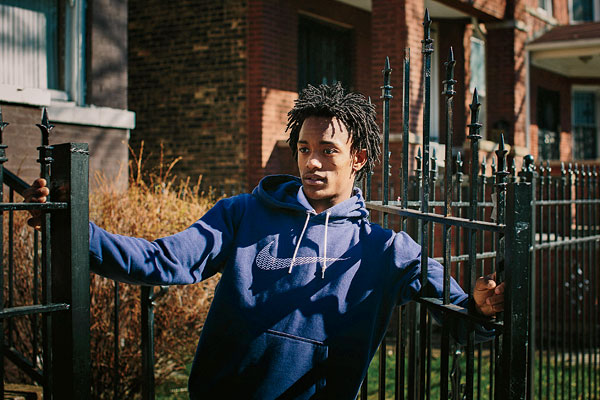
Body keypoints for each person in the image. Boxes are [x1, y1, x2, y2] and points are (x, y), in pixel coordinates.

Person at [25, 83, 504, 399]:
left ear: (357, 158)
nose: (312, 163)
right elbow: (164, 261)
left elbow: (462, 315)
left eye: (328, 151)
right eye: (304, 149)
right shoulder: (242, 214)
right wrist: (74, 230)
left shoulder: (385, 250)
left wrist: (481, 309)